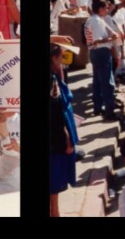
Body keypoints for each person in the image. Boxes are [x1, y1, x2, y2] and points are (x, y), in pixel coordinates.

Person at [50, 43, 77, 217]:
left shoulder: (54, 76)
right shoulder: (52, 82)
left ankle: (55, 211)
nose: (62, 60)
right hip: (54, 138)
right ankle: (55, 212)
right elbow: (55, 111)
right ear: (53, 58)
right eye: (60, 57)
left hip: (54, 136)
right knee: (54, 179)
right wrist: (66, 136)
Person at [84, 0, 119, 120]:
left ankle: (97, 108)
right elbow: (98, 40)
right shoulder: (97, 21)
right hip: (102, 52)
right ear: (100, 9)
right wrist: (111, 38)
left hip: (94, 53)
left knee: (97, 82)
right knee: (107, 83)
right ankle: (109, 111)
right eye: (106, 8)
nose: (107, 11)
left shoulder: (91, 20)